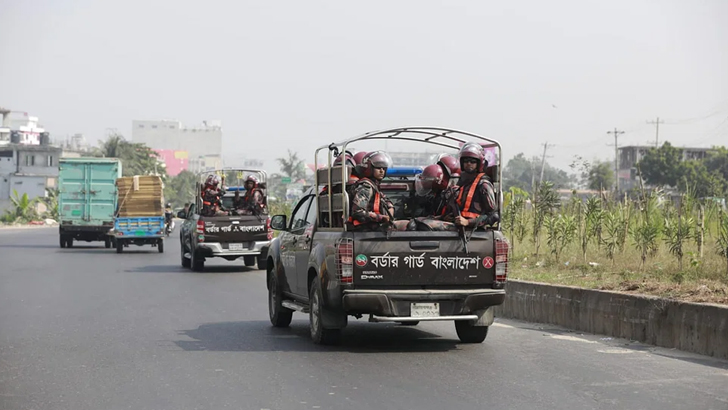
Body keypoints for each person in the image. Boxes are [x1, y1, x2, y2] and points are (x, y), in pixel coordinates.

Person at [446, 142, 498, 229]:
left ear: (479, 163)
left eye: (473, 161)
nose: (469, 163)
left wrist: (468, 222)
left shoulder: (484, 185)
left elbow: (493, 216)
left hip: (474, 231)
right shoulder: (462, 183)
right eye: (466, 161)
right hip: (458, 227)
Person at [347, 151, 395, 231]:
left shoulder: (374, 186)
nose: (382, 171)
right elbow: (358, 212)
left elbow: (385, 200)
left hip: (373, 228)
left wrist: (390, 208)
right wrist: (380, 218)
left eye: (383, 168)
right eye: (378, 168)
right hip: (366, 229)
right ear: (369, 168)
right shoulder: (366, 187)